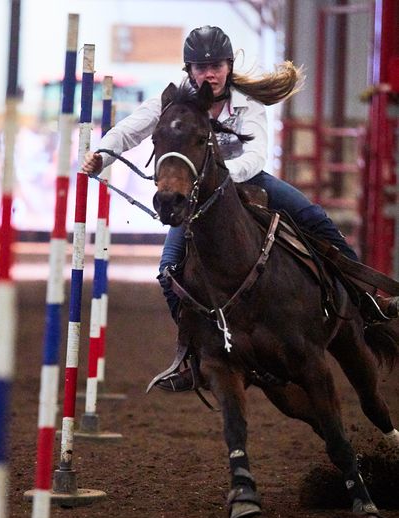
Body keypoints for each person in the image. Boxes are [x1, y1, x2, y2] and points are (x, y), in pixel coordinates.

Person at [83, 25, 399, 390]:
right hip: (200, 197)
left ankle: (369, 303)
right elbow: (128, 131)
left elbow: (255, 156)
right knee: (169, 270)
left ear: (228, 66)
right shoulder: (175, 105)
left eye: (216, 65)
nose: (210, 73)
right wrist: (102, 155)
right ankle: (192, 353)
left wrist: (221, 175)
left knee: (314, 218)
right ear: (189, 71)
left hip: (247, 180)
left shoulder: (248, 102)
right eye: (201, 67)